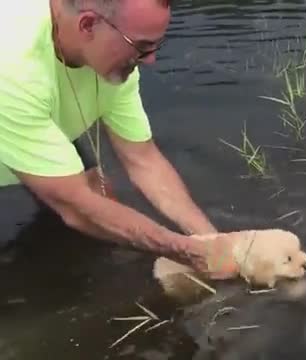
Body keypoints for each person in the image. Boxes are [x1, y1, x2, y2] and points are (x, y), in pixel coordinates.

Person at [0, 0, 239, 279]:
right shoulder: (12, 66)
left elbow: (143, 160)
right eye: (140, 46)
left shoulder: (112, 62)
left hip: (33, 115)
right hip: (12, 103)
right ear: (87, 24)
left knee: (100, 197)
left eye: (154, 46)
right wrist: (186, 251)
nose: (150, 60)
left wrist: (211, 240)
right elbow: (77, 209)